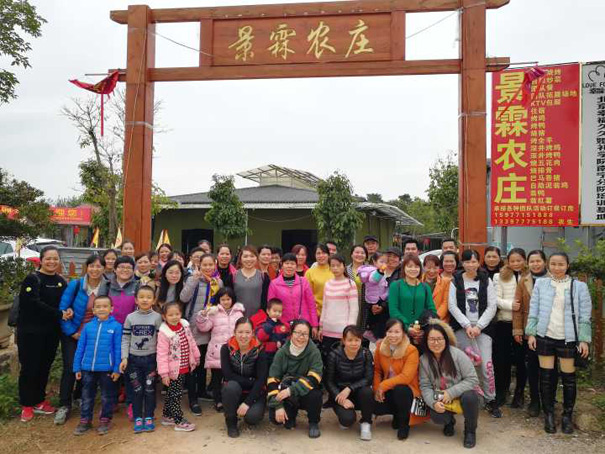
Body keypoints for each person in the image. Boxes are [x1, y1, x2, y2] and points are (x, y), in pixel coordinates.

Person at [526, 252, 591, 434]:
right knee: (546, 377)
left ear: (567, 265)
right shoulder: (541, 284)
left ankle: (567, 416)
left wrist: (584, 339)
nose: (556, 267)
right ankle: (548, 415)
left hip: (568, 338)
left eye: (561, 264)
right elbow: (534, 310)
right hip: (545, 335)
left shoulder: (579, 286)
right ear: (548, 265)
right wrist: (531, 333)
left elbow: (585, 315)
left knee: (569, 378)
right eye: (553, 264)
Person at [18, 245, 70, 423]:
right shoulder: (32, 279)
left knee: (44, 366)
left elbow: (67, 301)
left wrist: (69, 311)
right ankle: (26, 404)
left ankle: (39, 400)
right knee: (29, 367)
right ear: (41, 260)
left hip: (51, 332)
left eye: (55, 258)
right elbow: (33, 304)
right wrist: (59, 313)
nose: (52, 262)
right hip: (30, 332)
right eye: (48, 258)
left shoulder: (60, 281)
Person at [56, 254, 109, 425]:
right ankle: (64, 404)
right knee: (71, 367)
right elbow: (63, 309)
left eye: (99, 266)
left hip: (93, 335)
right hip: (73, 333)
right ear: (87, 267)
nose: (95, 269)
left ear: (104, 268)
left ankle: (78, 397)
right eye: (92, 266)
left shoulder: (107, 287)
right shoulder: (76, 285)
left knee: (86, 368)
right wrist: (71, 332)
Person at [448, 249, 500, 418]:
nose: (470, 265)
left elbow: (492, 306)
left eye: (474, 261)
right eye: (467, 261)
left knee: (486, 365)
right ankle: (463, 397)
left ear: (478, 262)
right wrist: (466, 325)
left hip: (483, 328)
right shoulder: (455, 280)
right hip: (461, 328)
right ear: (462, 263)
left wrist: (479, 326)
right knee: (464, 364)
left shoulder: (486, 280)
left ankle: (490, 398)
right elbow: (452, 306)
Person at [419, 319, 480, 449]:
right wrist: (433, 403)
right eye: (432, 339)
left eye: (439, 339)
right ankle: (449, 422)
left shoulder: (457, 355)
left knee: (470, 397)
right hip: (441, 397)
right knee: (436, 415)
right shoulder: (424, 360)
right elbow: (425, 386)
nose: (436, 343)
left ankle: (470, 431)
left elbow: (472, 379)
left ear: (446, 339)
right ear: (426, 341)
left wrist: (450, 393)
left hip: (461, 394)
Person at [72, 296, 122, 436]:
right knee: (87, 396)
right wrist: (77, 367)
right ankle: (85, 420)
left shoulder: (116, 327)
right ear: (93, 310)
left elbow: (118, 350)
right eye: (98, 307)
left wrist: (116, 369)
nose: (101, 309)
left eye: (105, 306)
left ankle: (105, 420)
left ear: (111, 309)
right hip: (87, 369)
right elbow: (80, 348)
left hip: (107, 369)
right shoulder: (88, 327)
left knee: (107, 396)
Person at [180, 253, 223, 411]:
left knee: (205, 361)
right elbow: (183, 298)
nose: (208, 267)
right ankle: (193, 399)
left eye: (211, 264)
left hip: (211, 326)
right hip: (194, 327)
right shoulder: (193, 279)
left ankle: (202, 391)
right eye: (205, 265)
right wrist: (193, 280)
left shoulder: (218, 282)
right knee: (194, 363)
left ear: (215, 265)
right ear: (199, 265)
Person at [267, 320, 323, 438]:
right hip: (287, 392)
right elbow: (272, 380)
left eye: (305, 334)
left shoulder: (314, 352)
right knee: (275, 418)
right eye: (298, 333)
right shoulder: (282, 353)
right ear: (291, 333)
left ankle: (313, 422)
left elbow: (314, 378)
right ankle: (291, 415)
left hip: (305, 392)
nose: (301, 337)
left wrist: (290, 390)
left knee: (315, 394)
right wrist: (278, 406)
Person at [119, 285, 162, 433]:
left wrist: (160, 360)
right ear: (136, 300)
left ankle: (149, 416)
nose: (145, 300)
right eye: (141, 297)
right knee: (137, 389)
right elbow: (125, 338)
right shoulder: (130, 317)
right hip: (133, 361)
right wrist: (124, 357)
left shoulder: (157, 317)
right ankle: (138, 417)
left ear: (153, 300)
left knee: (149, 389)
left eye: (148, 297)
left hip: (151, 360)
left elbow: (160, 340)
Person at [373, 318, 424, 440]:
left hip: (408, 391)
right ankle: (396, 414)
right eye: (390, 331)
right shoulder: (380, 347)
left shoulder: (411, 350)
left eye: (397, 332)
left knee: (400, 389)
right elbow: (377, 371)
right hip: (389, 388)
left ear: (404, 333)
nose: (393, 335)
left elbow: (406, 377)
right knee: (372, 401)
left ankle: (404, 424)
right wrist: (377, 389)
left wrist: (383, 386)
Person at [196, 287, 246, 412]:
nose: (225, 302)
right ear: (219, 300)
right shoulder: (214, 313)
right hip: (217, 351)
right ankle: (218, 401)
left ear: (232, 299)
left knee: (231, 377)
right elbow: (204, 328)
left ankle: (230, 399)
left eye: (228, 299)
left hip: (234, 350)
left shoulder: (238, 313)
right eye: (223, 299)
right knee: (216, 378)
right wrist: (202, 316)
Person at [513, 250, 548, 417]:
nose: (535, 264)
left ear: (544, 262)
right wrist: (518, 330)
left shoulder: (552, 278)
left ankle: (548, 399)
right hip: (530, 329)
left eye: (538, 261)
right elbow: (518, 308)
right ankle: (535, 401)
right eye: (532, 261)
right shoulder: (524, 280)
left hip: (550, 330)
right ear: (528, 263)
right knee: (532, 366)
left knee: (549, 368)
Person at [221, 317, 268, 438]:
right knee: (230, 386)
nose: (244, 336)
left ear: (253, 333)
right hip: (235, 389)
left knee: (252, 418)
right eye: (240, 332)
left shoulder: (260, 350)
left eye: (247, 332)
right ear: (234, 332)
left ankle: (247, 408)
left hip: (254, 392)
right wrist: (250, 381)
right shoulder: (226, 348)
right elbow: (228, 375)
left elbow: (261, 380)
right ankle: (231, 421)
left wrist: (247, 403)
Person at [157, 301, 201, 432]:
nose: (174, 317)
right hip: (173, 370)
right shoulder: (164, 333)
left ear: (181, 314)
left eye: (177, 314)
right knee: (176, 395)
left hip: (184, 366)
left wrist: (196, 356)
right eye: (170, 315)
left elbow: (191, 342)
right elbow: (161, 355)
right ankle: (178, 421)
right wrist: (164, 374)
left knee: (172, 392)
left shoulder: (184, 326)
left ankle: (167, 416)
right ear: (164, 316)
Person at [493, 248, 528, 407]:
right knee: (502, 360)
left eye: (519, 260)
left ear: (524, 260)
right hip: (505, 322)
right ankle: (502, 391)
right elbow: (496, 299)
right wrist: (511, 305)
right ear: (508, 261)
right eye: (512, 261)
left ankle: (519, 393)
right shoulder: (499, 276)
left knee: (521, 360)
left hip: (523, 324)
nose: (516, 263)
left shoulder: (529, 276)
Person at [325, 326, 374, 441]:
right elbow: (328, 381)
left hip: (358, 393)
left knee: (368, 392)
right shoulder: (334, 355)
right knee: (347, 420)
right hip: (340, 393)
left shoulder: (366, 353)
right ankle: (346, 415)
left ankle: (366, 423)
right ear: (343, 340)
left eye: (357, 340)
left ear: (361, 340)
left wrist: (350, 388)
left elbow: (368, 378)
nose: (354, 343)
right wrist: (340, 398)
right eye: (350, 340)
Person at [388, 254, 436, 345]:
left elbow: (431, 309)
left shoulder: (425, 287)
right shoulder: (396, 285)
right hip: (401, 331)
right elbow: (393, 310)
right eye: (409, 266)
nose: (413, 269)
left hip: (421, 332)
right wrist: (407, 327)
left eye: (416, 266)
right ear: (403, 268)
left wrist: (423, 329)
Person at [267, 253, 318, 335]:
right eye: (287, 263)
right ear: (282, 265)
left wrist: (314, 325)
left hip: (303, 324)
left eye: (292, 264)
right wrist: (274, 324)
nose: (289, 266)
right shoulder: (274, 284)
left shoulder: (303, 281)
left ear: (296, 266)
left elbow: (311, 304)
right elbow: (271, 306)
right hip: (283, 325)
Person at [319, 254, 359, 356]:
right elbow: (325, 306)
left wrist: (350, 330)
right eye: (332, 265)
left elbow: (354, 309)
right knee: (328, 359)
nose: (335, 268)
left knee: (342, 360)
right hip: (327, 329)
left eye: (338, 265)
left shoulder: (350, 284)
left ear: (344, 266)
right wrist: (321, 327)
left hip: (343, 331)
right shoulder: (328, 284)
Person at [358, 252, 389, 343]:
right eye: (381, 262)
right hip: (374, 299)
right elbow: (373, 280)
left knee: (374, 319)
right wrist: (380, 272)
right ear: (374, 262)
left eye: (385, 262)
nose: (384, 264)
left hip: (375, 297)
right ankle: (370, 333)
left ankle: (371, 332)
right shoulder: (373, 271)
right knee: (376, 320)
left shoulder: (378, 271)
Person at [234, 245, 270, 316]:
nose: (249, 259)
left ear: (257, 258)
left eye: (252, 256)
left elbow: (266, 299)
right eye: (245, 256)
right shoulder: (233, 276)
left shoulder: (263, 277)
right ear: (240, 258)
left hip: (258, 318)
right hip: (237, 318)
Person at [252, 298, 290, 363]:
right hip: (265, 356)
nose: (277, 313)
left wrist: (282, 342)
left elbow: (288, 338)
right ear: (268, 311)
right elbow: (261, 337)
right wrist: (271, 324)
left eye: (279, 312)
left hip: (279, 356)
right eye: (274, 311)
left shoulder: (284, 325)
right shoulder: (262, 324)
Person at [107, 256, 138, 325]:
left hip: (130, 326)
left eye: (128, 268)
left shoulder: (138, 286)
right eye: (121, 267)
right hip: (109, 326)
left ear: (133, 271)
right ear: (114, 269)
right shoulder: (107, 285)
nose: (125, 270)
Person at [305, 243, 334, 317]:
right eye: (318, 253)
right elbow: (307, 295)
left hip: (334, 312)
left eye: (324, 253)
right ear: (315, 255)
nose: (321, 256)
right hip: (316, 313)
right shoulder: (310, 273)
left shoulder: (335, 270)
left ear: (328, 255)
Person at [422, 254, 450, 323]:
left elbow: (445, 303)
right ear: (424, 267)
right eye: (429, 268)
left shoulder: (446, 282)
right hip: (420, 320)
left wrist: (434, 319)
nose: (432, 271)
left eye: (435, 268)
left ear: (439, 268)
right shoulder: (417, 282)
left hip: (439, 320)